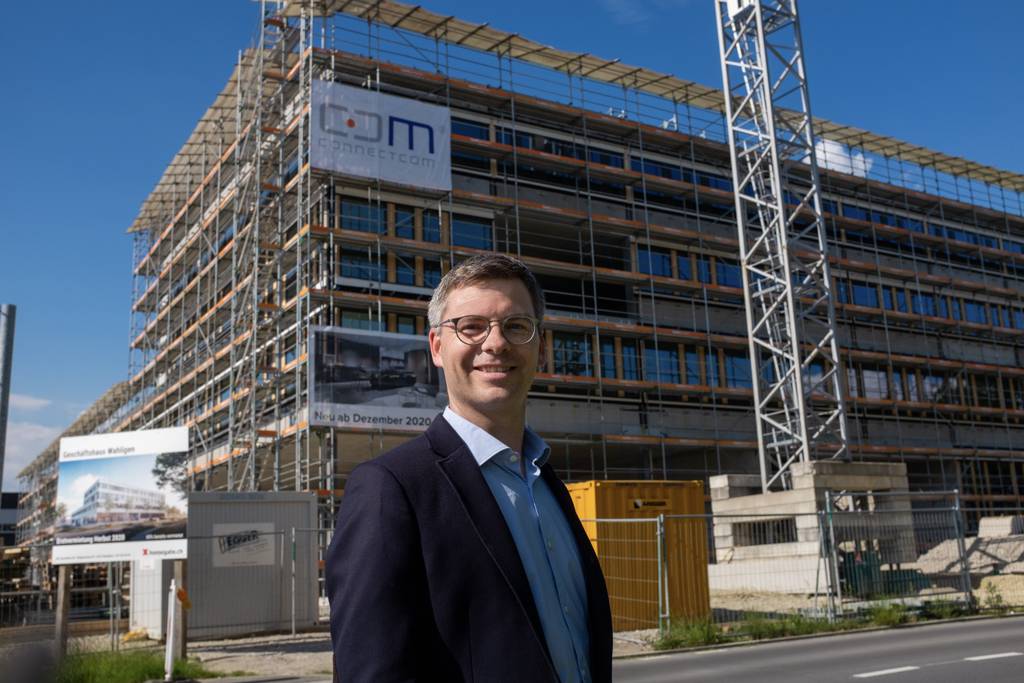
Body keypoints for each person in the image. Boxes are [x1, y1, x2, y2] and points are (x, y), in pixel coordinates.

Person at [327, 253, 612, 682]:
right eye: (471, 326)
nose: (495, 343)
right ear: (438, 348)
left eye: (516, 326)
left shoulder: (547, 483)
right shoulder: (392, 489)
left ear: (541, 347)